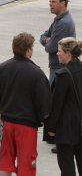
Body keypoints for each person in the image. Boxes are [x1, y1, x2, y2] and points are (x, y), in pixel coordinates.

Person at [0, 32, 51, 176]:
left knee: (5, 160)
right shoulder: (36, 73)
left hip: (6, 121)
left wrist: (3, 103)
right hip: (26, 126)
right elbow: (45, 103)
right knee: (26, 165)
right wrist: (43, 119)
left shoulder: (2, 68)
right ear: (29, 49)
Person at [46, 37, 82, 176]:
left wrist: (51, 127)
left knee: (67, 167)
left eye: (59, 50)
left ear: (68, 53)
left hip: (66, 129)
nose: (57, 53)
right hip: (80, 126)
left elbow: (56, 104)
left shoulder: (63, 75)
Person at [40, 0, 76, 84]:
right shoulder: (59, 19)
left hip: (59, 69)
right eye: (50, 2)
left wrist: (48, 40)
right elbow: (43, 36)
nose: (50, 4)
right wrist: (47, 39)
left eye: (53, 2)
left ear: (63, 3)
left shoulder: (63, 23)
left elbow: (50, 48)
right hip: (58, 67)